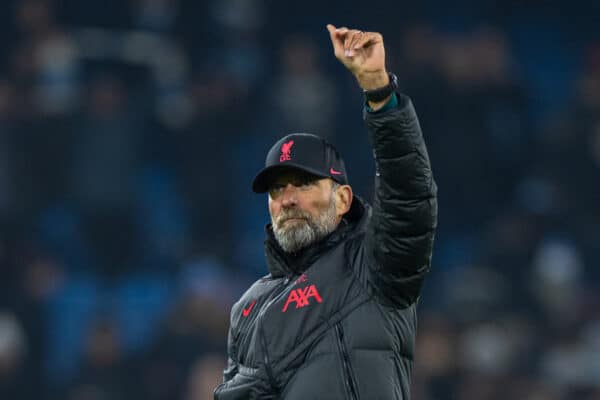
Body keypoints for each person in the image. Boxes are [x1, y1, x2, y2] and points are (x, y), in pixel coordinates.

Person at [214, 24, 438, 399]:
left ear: (343, 199)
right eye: (276, 189)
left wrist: (380, 94)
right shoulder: (248, 308)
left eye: (303, 184)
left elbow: (409, 196)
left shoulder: (374, 264)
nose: (286, 199)